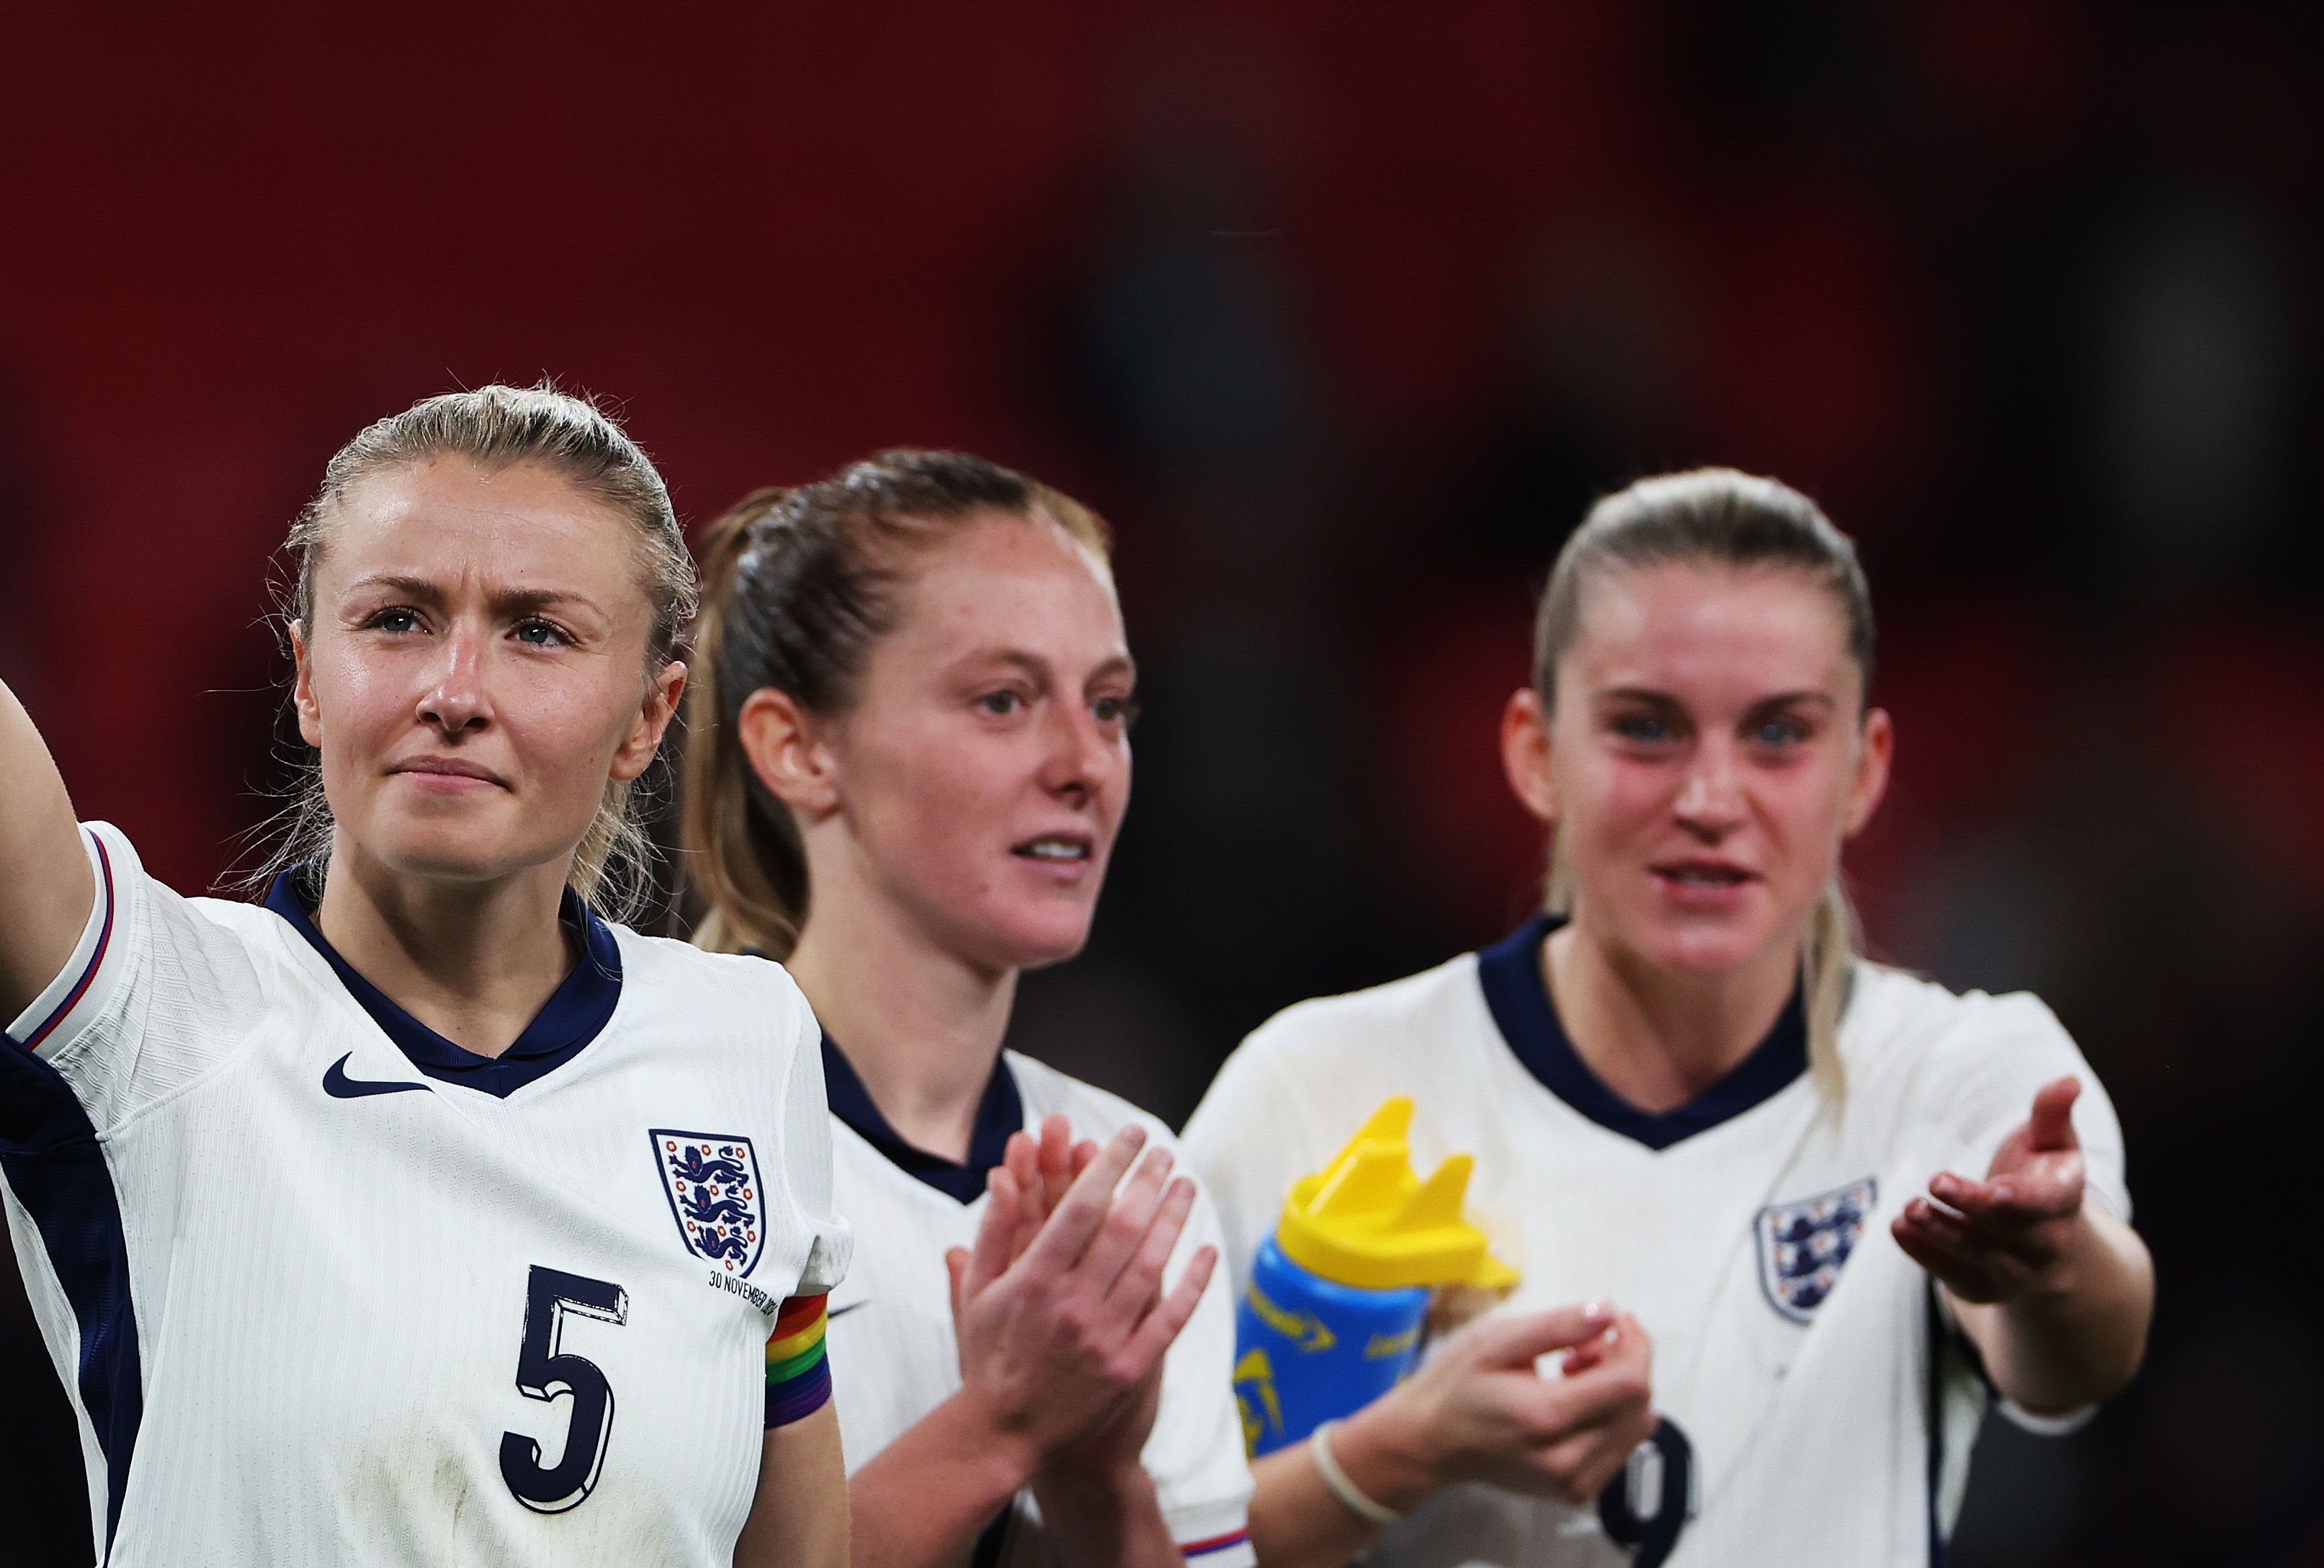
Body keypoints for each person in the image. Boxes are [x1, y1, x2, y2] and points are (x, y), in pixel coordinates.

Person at [0, 0, 852, 1565]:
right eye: (395, 618)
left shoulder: (745, 1040)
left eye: (538, 631)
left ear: (649, 715)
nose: (453, 682)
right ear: (304, 675)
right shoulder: (156, 1010)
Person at [1180, 467, 2153, 1568]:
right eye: (1647, 729)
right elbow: (1127, 1542)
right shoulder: (1321, 1079)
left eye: (1778, 734)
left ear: (1862, 771)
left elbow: (2078, 1360)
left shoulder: (1960, 1073)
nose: (1709, 799)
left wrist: (2051, 1262)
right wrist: (1393, 1457)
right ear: (1534, 751)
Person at [684, 451, 1256, 1567]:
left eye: (1109, 706)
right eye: (1002, 700)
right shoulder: (670, 1127)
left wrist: (1096, 1475)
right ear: (796, 748)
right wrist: (1002, 1424)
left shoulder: (1129, 1179)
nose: (1085, 763)